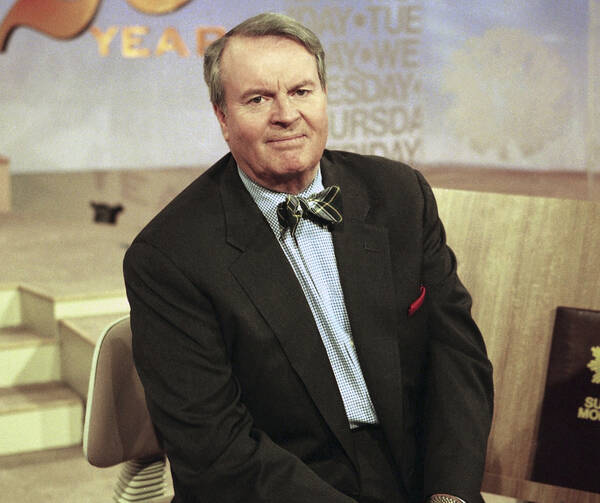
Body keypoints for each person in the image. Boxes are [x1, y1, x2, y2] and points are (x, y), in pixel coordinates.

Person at [124, 12, 493, 503]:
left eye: (301, 92)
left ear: (324, 98)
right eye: (258, 99)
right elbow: (215, 453)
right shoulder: (169, 257)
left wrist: (450, 495)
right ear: (222, 117)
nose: (286, 114)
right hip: (283, 483)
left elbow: (458, 360)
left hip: (414, 475)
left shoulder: (400, 195)